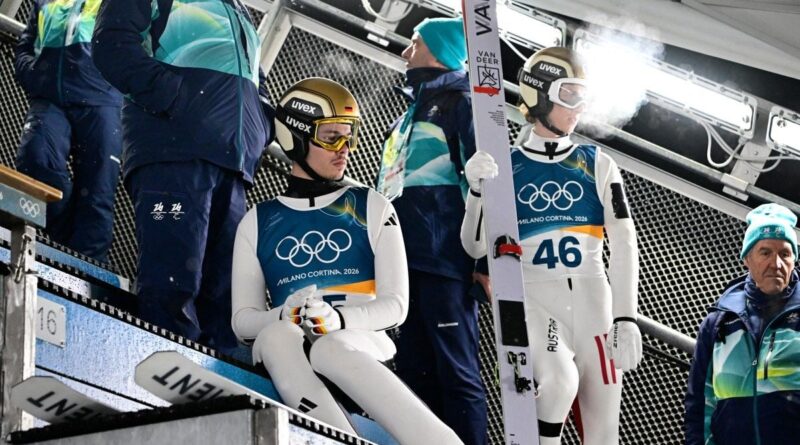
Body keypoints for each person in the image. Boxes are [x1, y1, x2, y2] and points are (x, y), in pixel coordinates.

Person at [231, 77, 462, 445]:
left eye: (348, 136)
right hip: (289, 353)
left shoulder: (372, 205)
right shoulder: (258, 221)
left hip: (360, 346)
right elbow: (243, 323)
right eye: (330, 137)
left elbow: (396, 306)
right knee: (276, 335)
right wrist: (283, 314)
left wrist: (338, 319)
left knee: (329, 347)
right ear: (295, 137)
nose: (345, 149)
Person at [461, 46, 642, 445]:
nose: (579, 107)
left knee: (604, 436)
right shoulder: (505, 164)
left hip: (596, 307)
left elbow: (625, 241)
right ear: (539, 95)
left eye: (583, 96)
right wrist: (475, 192)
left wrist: (626, 317)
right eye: (569, 95)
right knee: (559, 383)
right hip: (536, 302)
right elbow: (475, 246)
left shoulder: (598, 162)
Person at [92, 0, 274, 353]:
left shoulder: (237, 9)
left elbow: (253, 76)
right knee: (172, 280)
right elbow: (111, 44)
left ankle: (214, 380)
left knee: (225, 296)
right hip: (172, 154)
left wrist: (261, 120)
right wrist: (174, 97)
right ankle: (162, 369)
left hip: (231, 164)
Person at [375, 17, 487, 445]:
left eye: (415, 43)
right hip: (402, 262)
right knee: (411, 371)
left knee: (455, 371)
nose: (407, 52)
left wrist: (484, 259)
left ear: (441, 52)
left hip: (445, 261)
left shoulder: (464, 104)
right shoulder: (408, 115)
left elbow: (488, 182)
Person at [14, 0, 123, 262]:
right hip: (51, 96)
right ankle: (59, 244)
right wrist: (34, 74)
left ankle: (88, 267)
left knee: (97, 188)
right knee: (36, 160)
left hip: (103, 98)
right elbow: (26, 45)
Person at [685, 203, 800, 445]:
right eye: (765, 252)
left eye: (785, 254)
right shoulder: (719, 321)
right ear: (747, 258)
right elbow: (699, 406)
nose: (776, 264)